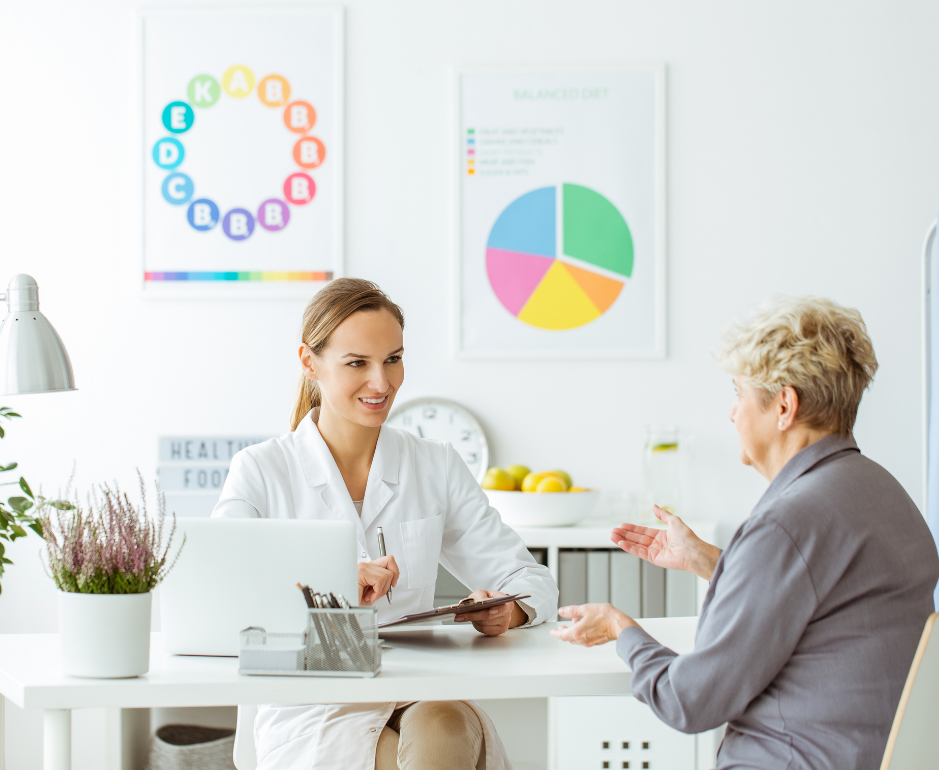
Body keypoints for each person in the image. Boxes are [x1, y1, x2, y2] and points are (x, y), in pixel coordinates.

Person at [552, 296, 939, 769]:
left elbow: (689, 700)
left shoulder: (786, 523)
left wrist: (622, 630)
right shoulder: (883, 494)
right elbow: (827, 604)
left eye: (738, 394)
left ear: (783, 406)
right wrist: (710, 562)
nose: (731, 414)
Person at [214, 278, 558, 770]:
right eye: (358, 363)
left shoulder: (434, 464)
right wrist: (330, 588)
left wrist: (508, 611)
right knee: (442, 740)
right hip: (315, 706)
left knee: (445, 722)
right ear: (310, 363)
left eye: (393, 359)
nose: (382, 383)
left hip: (420, 690)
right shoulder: (262, 471)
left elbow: (530, 580)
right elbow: (222, 602)